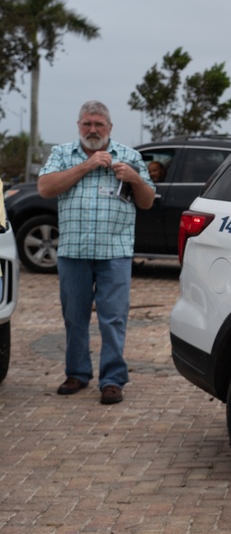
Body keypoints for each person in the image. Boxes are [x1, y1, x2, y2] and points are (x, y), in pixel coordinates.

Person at [38, 101, 155, 405]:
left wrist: (135, 178)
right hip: (73, 252)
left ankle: (112, 380)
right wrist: (86, 166)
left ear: (110, 128)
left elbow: (147, 201)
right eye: (87, 124)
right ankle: (77, 373)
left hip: (114, 252)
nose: (93, 130)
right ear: (78, 126)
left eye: (99, 124)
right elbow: (45, 188)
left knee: (113, 318)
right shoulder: (62, 154)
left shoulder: (129, 157)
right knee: (74, 317)